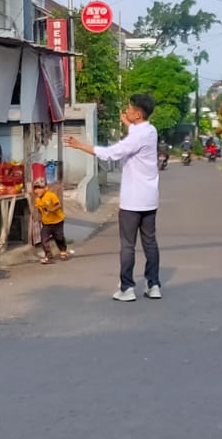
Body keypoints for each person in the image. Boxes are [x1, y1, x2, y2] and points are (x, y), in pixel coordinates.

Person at [64, 94, 162, 302]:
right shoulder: (150, 131)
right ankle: (153, 285)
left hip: (132, 201)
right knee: (150, 243)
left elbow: (111, 153)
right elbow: (137, 136)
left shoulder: (136, 136)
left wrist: (80, 146)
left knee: (127, 245)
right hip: (149, 199)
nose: (126, 110)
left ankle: (127, 288)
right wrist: (129, 124)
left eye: (129, 108)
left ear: (138, 113)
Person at [32, 177, 69, 264]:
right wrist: (39, 219)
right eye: (36, 188)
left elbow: (58, 205)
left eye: (40, 188)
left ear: (46, 188)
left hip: (58, 221)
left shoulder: (50, 195)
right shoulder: (37, 200)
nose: (37, 190)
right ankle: (49, 257)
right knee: (44, 239)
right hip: (46, 223)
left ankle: (63, 250)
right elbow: (39, 210)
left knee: (59, 237)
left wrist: (53, 209)